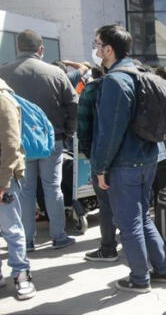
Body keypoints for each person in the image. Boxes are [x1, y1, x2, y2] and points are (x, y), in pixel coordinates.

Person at [91, 25, 166, 292]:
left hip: (125, 163)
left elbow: (110, 130)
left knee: (129, 224)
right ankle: (163, 269)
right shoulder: (139, 73)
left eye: (97, 44)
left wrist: (100, 167)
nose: (95, 49)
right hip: (147, 158)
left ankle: (139, 279)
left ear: (108, 49)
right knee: (142, 217)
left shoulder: (115, 80)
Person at [0, 29, 78, 251]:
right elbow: (73, 104)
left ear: (18, 48)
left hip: (17, 143)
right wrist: (68, 132)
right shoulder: (55, 73)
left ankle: (27, 240)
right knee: (53, 187)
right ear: (41, 49)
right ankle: (58, 236)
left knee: (25, 191)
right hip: (51, 140)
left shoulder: (3, 73)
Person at [76, 66, 119, 262]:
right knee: (136, 205)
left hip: (102, 153)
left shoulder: (93, 89)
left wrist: (92, 155)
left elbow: (83, 127)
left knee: (106, 203)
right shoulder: (133, 83)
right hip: (133, 157)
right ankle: (139, 248)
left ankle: (108, 248)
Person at [0, 78, 36, 299]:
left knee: (11, 228)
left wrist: (3, 183)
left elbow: (11, 146)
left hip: (4, 177)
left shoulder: (2, 100)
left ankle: (21, 274)